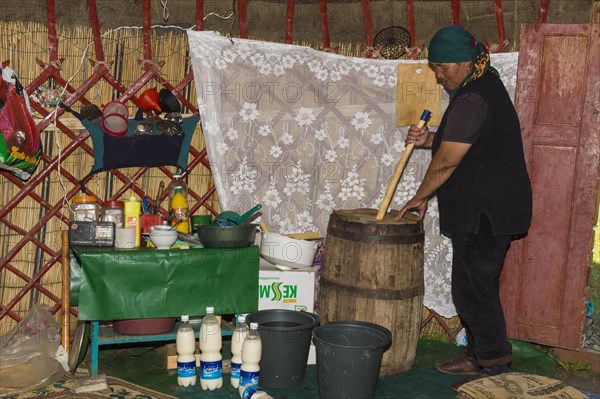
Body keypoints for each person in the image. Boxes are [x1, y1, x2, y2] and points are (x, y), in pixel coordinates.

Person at [397, 26, 532, 380]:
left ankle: (493, 364)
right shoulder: (480, 85)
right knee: (472, 285)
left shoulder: (474, 97)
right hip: (485, 207)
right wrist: (429, 139)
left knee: (473, 289)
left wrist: (420, 196)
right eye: (435, 68)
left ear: (467, 61)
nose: (440, 76)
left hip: (487, 210)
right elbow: (463, 141)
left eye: (444, 68)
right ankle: (479, 355)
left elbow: (446, 162)